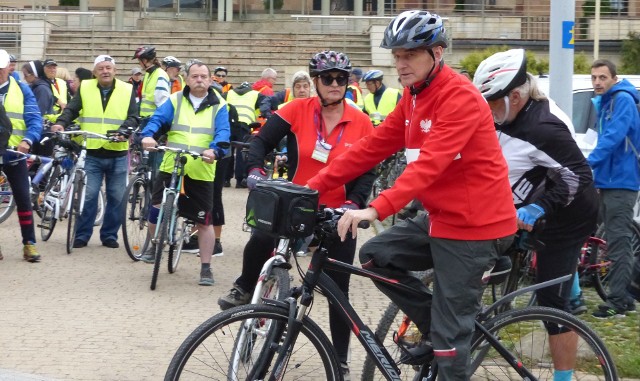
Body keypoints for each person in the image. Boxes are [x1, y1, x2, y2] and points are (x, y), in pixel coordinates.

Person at [305, 11, 516, 380]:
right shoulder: (413, 96)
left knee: (451, 346)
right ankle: (443, 324)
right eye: (395, 55)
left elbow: (428, 165)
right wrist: (309, 188)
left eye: (408, 55)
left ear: (436, 53)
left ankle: (449, 335)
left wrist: (375, 208)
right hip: (440, 218)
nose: (399, 63)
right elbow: (370, 147)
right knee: (375, 255)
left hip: (475, 226)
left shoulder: (459, 97)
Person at [218, 50, 375, 379]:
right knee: (262, 236)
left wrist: (354, 203)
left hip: (337, 212)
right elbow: (259, 143)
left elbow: (367, 171)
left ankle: (340, 358)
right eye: (328, 78)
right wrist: (256, 171)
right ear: (315, 82)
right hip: (296, 203)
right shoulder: (296, 110)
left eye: (341, 78)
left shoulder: (360, 120)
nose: (335, 84)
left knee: (338, 291)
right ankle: (246, 286)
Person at [473, 48, 599, 380]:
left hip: (568, 215)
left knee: (550, 304)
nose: (487, 108)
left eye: (492, 101)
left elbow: (578, 175)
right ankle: (565, 282)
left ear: (515, 96)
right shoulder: (511, 112)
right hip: (533, 197)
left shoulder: (544, 126)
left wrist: (538, 206)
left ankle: (563, 377)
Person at [139, 61, 230, 285]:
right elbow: (158, 119)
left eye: (203, 76)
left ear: (210, 80)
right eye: (195, 76)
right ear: (187, 79)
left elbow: (223, 132)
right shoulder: (175, 99)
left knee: (204, 221)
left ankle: (206, 267)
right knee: (156, 206)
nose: (199, 80)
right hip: (172, 162)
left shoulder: (219, 105)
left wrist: (216, 149)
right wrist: (149, 135)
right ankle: (153, 244)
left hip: (201, 168)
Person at [51, 55, 139, 249]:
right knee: (88, 196)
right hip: (92, 151)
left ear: (115, 70)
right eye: (101, 68)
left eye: (108, 67)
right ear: (95, 72)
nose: (105, 71)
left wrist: (125, 129)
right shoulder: (86, 87)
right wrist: (61, 123)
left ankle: (109, 235)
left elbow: (134, 116)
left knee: (116, 197)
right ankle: (82, 234)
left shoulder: (127, 89)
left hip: (117, 151)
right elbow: (72, 109)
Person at [587, 58, 640, 318]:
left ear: (614, 78)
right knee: (612, 240)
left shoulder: (622, 101)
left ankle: (619, 300)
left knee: (619, 242)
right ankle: (624, 297)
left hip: (622, 182)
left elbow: (613, 138)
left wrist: (588, 164)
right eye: (594, 78)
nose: (597, 82)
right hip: (608, 181)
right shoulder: (608, 102)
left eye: (602, 77)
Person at [0, 49, 43, 262]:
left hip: (13, 153)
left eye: (1, 68)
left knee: (23, 198)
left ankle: (29, 244)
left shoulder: (22, 90)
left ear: (9, 67)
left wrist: (28, 140)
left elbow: (35, 119)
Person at [225, 81, 271, 188]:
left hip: (229, 123)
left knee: (228, 152)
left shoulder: (230, 93)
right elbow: (267, 102)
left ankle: (226, 179)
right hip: (245, 124)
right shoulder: (255, 94)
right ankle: (240, 180)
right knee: (242, 152)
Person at [133, 45, 170, 119]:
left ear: (145, 60)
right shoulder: (147, 74)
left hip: (154, 122)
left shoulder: (160, 75)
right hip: (145, 119)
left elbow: (162, 104)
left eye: (139, 61)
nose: (139, 64)